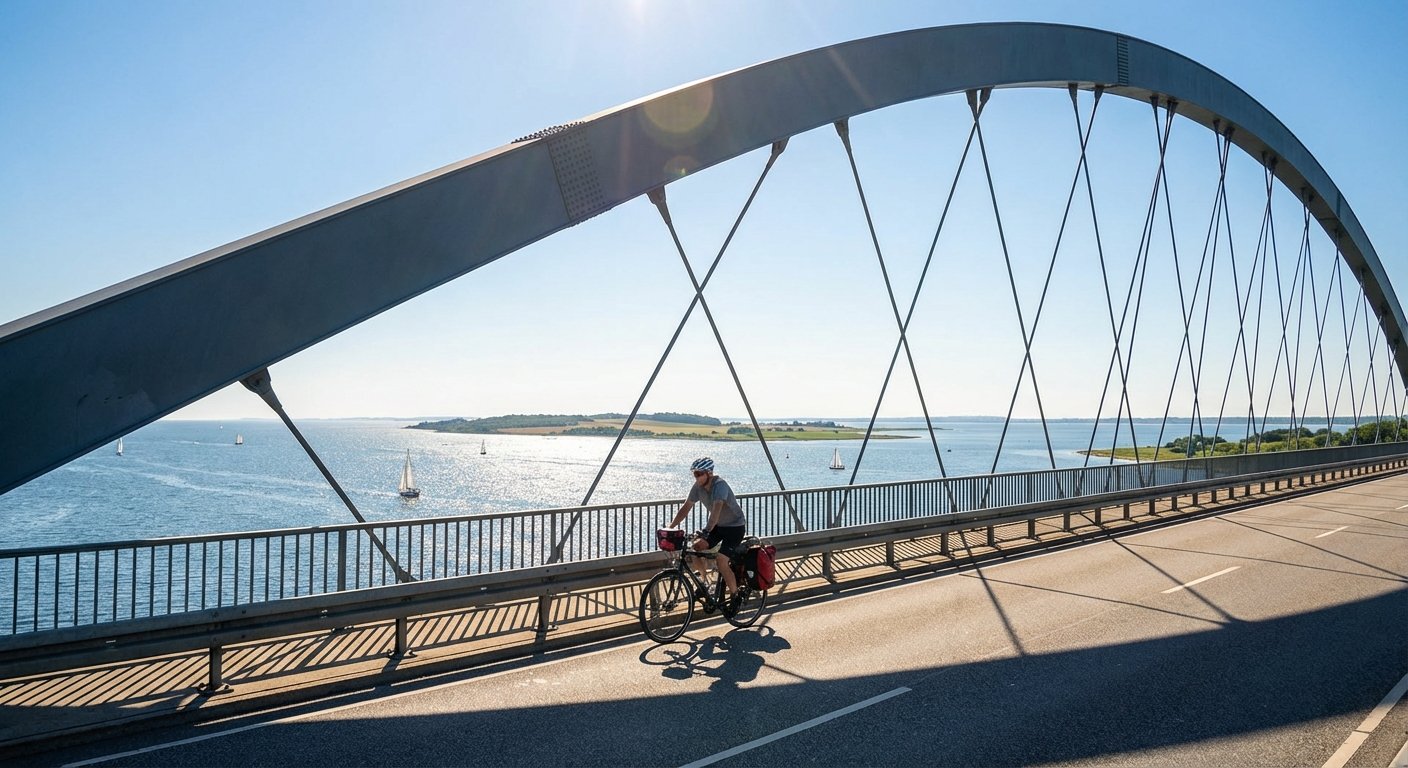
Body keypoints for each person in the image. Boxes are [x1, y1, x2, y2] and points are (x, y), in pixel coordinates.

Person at [667, 456, 747, 609]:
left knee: (721, 560)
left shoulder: (720, 486)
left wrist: (705, 532)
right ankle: (705, 584)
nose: (696, 478)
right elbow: (686, 507)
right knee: (695, 549)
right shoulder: (698, 487)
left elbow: (716, 512)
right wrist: (671, 527)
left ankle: (735, 595)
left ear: (708, 473)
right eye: (694, 474)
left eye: (699, 474)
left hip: (734, 527)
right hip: (719, 527)